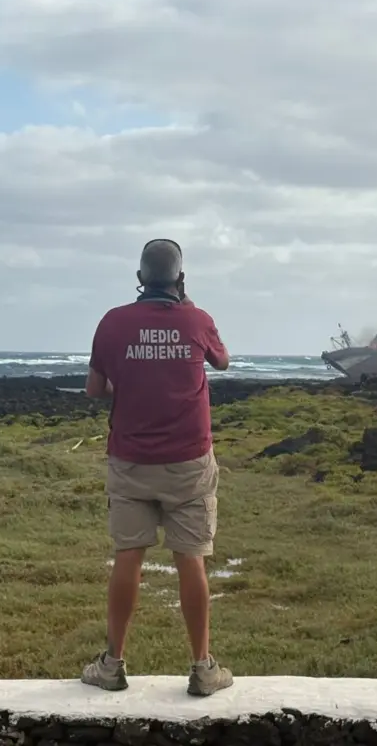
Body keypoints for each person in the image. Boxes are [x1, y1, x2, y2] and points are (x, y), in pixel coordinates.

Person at [81, 238, 234, 697]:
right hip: (189, 461)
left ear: (140, 278)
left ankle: (112, 664)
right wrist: (186, 307)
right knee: (191, 559)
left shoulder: (113, 322)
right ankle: (202, 668)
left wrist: (129, 384)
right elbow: (222, 362)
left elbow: (94, 389)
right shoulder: (197, 319)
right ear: (180, 279)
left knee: (128, 555)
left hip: (131, 460)